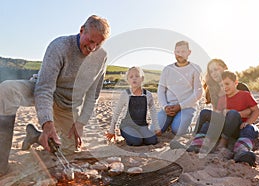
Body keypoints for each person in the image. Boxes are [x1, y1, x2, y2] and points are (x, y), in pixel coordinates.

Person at [0, 15, 110, 177]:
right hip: (42, 90)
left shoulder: (101, 57)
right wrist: (47, 124)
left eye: (98, 44)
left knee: (66, 148)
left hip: (67, 104)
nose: (93, 47)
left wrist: (80, 123)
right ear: (81, 30)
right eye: (91, 41)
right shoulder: (59, 46)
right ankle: (1, 165)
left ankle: (35, 136)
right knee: (7, 90)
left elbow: (93, 95)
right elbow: (44, 89)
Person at [187, 59, 251, 152]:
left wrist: (232, 113)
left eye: (216, 69)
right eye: (211, 71)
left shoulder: (240, 87)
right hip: (222, 124)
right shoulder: (213, 90)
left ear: (225, 68)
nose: (214, 73)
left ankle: (229, 144)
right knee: (206, 121)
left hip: (238, 124)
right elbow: (216, 112)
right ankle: (195, 142)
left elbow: (251, 112)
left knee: (237, 119)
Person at [105, 67, 161, 146]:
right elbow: (117, 112)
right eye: (131, 77)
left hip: (142, 125)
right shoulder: (125, 94)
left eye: (137, 76)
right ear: (128, 80)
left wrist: (157, 127)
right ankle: (131, 136)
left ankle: (140, 135)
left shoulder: (148, 94)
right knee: (136, 141)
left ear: (142, 78)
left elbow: (153, 111)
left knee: (152, 140)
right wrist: (111, 130)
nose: (134, 78)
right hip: (127, 126)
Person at [157, 41, 202, 136]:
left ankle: (190, 128)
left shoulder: (195, 68)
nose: (180, 54)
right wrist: (165, 106)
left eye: (183, 51)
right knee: (154, 130)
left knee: (177, 130)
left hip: (187, 107)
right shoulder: (167, 69)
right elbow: (161, 91)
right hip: (169, 107)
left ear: (189, 52)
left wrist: (180, 106)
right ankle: (170, 122)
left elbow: (198, 93)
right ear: (174, 52)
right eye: (177, 52)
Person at [216, 70, 259, 166]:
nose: (225, 87)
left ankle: (241, 151)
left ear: (236, 83)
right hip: (229, 129)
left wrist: (248, 122)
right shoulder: (221, 99)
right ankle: (199, 142)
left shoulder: (244, 95)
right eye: (222, 85)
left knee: (250, 129)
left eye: (227, 84)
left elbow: (256, 110)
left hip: (243, 127)